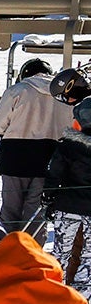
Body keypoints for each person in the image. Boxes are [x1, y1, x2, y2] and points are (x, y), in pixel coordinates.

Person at [0, 58, 75, 229]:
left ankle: (9, 249)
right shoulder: (61, 94)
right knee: (36, 211)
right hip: (49, 155)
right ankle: (32, 250)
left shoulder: (18, 90)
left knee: (10, 209)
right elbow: (69, 127)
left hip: (14, 155)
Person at [42, 97, 91, 292]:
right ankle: (83, 296)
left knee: (61, 252)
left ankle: (55, 293)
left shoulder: (68, 145)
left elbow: (54, 172)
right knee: (88, 256)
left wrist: (48, 197)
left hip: (67, 206)